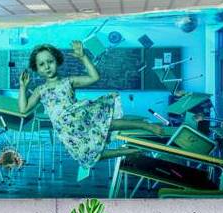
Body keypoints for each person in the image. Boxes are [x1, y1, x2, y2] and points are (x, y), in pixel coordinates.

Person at [18, 40, 163, 176]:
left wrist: (83, 57)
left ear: (57, 61)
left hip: (81, 116)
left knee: (108, 124)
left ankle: (144, 125)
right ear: (36, 68)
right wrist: (23, 87)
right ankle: (128, 151)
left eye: (50, 61)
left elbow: (94, 77)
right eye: (42, 64)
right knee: (86, 156)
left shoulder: (68, 81)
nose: (47, 66)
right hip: (67, 130)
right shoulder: (39, 90)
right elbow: (24, 109)